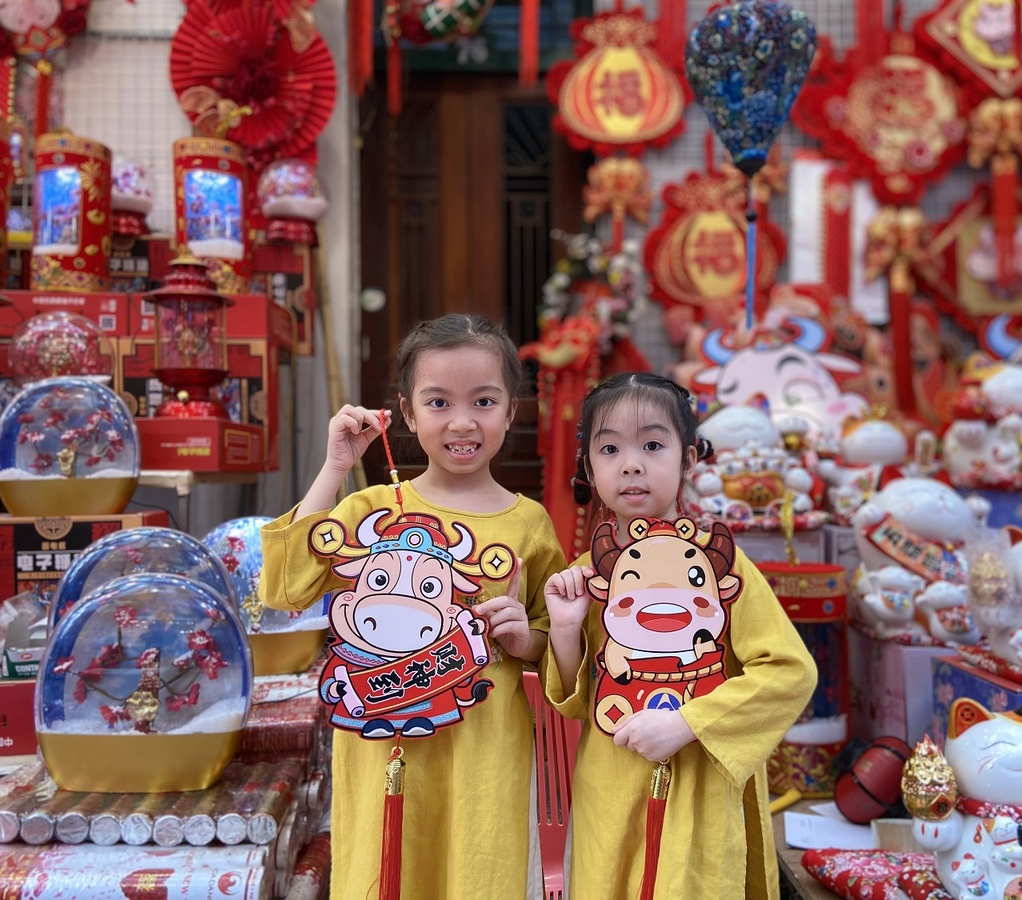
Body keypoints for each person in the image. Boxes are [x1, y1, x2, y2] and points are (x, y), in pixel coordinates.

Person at [260, 314, 567, 900]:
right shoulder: (371, 509)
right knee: (385, 869)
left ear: (510, 412)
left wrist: (522, 638)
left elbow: (560, 643)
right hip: (381, 747)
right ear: (406, 412)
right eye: (438, 401)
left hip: (485, 749)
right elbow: (284, 586)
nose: (461, 422)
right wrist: (334, 469)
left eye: (483, 401)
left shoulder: (529, 524)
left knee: (479, 872)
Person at [543, 372, 818, 899]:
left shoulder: (723, 567)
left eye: (652, 444)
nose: (631, 463)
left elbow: (789, 671)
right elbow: (579, 702)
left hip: (703, 784)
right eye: (609, 448)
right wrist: (564, 628)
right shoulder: (586, 574)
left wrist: (688, 723)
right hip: (613, 780)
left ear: (689, 459)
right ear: (589, 467)